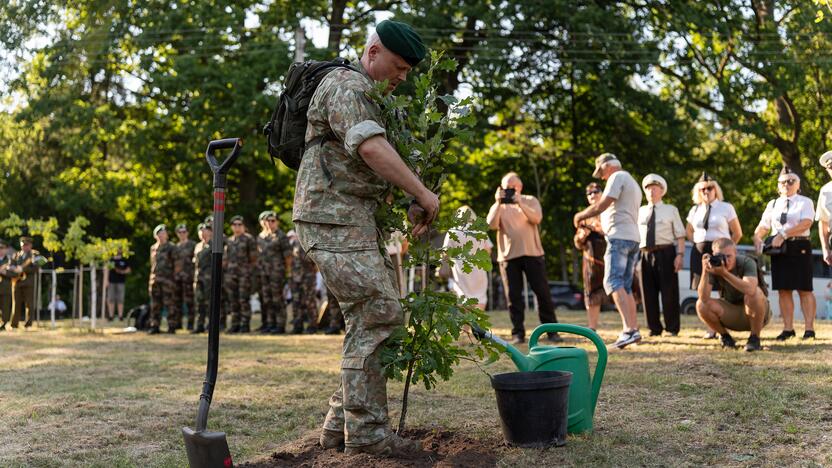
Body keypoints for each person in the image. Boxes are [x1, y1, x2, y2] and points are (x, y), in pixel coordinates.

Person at [293, 20, 435, 455]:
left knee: (367, 320)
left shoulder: (370, 96)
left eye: (408, 71)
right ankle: (369, 436)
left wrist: (409, 194)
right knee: (380, 312)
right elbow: (370, 148)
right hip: (331, 219)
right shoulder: (347, 85)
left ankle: (339, 428)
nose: (402, 77)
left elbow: (380, 161)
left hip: (351, 219)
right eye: (397, 66)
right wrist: (422, 192)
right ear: (372, 52)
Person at [574, 153, 643, 349]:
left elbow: (603, 204)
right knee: (626, 286)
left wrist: (580, 215)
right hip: (632, 237)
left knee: (612, 281)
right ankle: (632, 330)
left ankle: (629, 330)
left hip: (619, 237)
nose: (602, 177)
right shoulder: (632, 181)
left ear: (609, 166)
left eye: (601, 172)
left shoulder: (617, 177)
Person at [487, 172, 560, 344]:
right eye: (507, 187)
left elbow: (537, 218)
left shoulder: (530, 200)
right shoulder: (498, 206)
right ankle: (518, 334)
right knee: (513, 297)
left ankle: (552, 332)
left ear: (520, 187)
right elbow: (491, 225)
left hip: (533, 254)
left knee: (543, 294)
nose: (510, 190)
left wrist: (520, 203)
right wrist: (498, 203)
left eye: (513, 187)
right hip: (508, 258)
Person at [753, 166, 816, 340]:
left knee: (804, 289)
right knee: (783, 290)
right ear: (778, 185)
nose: (787, 185)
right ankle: (788, 329)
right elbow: (764, 226)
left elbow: (806, 223)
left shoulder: (805, 202)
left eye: (791, 181)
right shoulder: (772, 204)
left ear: (798, 184)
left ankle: (809, 329)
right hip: (779, 249)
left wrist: (784, 234)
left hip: (799, 246)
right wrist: (757, 237)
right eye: (783, 182)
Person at [686, 173, 742, 339]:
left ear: (716, 190)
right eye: (702, 189)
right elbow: (688, 230)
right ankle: (711, 327)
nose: (706, 191)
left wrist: (728, 251)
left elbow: (738, 233)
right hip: (699, 251)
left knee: (722, 289)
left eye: (710, 188)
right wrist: (696, 242)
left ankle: (725, 325)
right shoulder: (695, 209)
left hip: (719, 249)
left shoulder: (726, 207)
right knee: (703, 290)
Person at [695, 237, 771, 351]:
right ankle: (726, 338)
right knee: (701, 304)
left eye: (729, 256)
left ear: (736, 253)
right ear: (714, 254)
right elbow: (704, 298)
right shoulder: (714, 266)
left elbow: (750, 289)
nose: (725, 260)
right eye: (721, 256)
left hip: (757, 314)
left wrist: (724, 274)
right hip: (732, 312)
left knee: (755, 293)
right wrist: (705, 272)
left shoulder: (746, 262)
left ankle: (755, 339)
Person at [637, 174, 686, 337]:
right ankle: (654, 328)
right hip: (644, 253)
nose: (651, 191)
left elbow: (680, 235)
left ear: (662, 190)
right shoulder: (640, 211)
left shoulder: (671, 210)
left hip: (666, 252)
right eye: (648, 188)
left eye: (654, 188)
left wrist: (679, 255)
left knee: (669, 292)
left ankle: (672, 328)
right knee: (648, 293)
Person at [574, 183, 610, 330]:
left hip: (609, 257)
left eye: (596, 191)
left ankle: (628, 328)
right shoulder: (584, 217)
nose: (593, 195)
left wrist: (600, 229)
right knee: (591, 293)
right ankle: (592, 327)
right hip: (590, 261)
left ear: (602, 193)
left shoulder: (609, 212)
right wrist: (581, 237)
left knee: (617, 290)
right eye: (589, 193)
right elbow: (577, 244)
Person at [444, 206, 493, 310]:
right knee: (480, 300)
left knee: (463, 300)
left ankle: (465, 326)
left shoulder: (453, 231)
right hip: (479, 271)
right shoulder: (480, 231)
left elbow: (445, 253)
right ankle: (478, 325)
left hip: (460, 271)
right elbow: (488, 250)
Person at [258, 211, 293, 334]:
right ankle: (270, 323)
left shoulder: (281, 236)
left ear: (277, 222)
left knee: (277, 299)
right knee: (267, 299)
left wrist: (288, 273)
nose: (270, 223)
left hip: (277, 273)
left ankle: (280, 325)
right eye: (268, 221)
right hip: (264, 273)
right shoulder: (262, 237)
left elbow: (288, 257)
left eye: (273, 221)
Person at [224, 215, 257, 334]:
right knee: (233, 301)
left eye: (239, 224)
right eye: (235, 225)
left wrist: (249, 273)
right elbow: (226, 258)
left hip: (244, 275)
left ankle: (245, 324)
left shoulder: (249, 239)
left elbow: (254, 258)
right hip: (231, 275)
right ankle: (234, 324)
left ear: (243, 226)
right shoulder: (229, 240)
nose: (237, 227)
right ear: (231, 227)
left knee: (243, 299)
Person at [148, 224, 176, 334]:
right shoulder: (153, 248)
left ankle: (171, 326)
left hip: (168, 280)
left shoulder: (171, 247)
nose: (161, 235)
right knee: (155, 304)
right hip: (155, 279)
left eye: (163, 233)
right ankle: (155, 325)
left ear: (167, 235)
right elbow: (152, 265)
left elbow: (176, 264)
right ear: (155, 236)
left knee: (169, 303)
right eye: (159, 234)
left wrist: (174, 278)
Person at [11, 236, 41, 328]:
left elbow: (36, 268)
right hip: (17, 282)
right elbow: (11, 266)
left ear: (30, 245)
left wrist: (23, 269)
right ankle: (14, 324)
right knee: (16, 304)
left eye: (26, 245)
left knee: (29, 304)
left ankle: (28, 324)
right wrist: (14, 269)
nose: (24, 247)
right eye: (23, 245)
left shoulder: (35, 255)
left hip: (29, 283)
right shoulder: (16, 255)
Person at [291, 241, 319, 334]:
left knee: (310, 301)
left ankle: (312, 326)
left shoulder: (310, 242)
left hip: (308, 277)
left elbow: (316, 263)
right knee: (296, 301)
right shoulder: (294, 243)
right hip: (296, 277)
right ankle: (298, 325)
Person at [172, 224, 197, 330]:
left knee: (190, 302)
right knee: (177, 302)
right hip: (177, 278)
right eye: (180, 232)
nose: (182, 234)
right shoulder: (175, 247)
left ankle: (190, 324)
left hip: (189, 278)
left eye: (184, 232)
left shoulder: (193, 245)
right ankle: (178, 323)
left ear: (187, 233)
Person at [191, 223, 212, 334]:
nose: (202, 233)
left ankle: (210, 324)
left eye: (205, 230)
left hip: (209, 278)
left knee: (209, 302)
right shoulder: (198, 246)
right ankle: (200, 324)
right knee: (199, 302)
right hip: (198, 278)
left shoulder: (214, 245)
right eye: (200, 231)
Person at [107, 248, 131, 321]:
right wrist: (106, 281)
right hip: (111, 282)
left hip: (121, 282)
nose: (118, 250)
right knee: (111, 299)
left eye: (120, 249)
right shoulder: (110, 260)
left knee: (120, 299)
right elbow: (106, 270)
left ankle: (120, 316)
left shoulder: (124, 259)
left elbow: (129, 270)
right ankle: (111, 316)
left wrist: (121, 272)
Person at [0, 239, 15, 331]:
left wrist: (5, 272)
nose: (0, 250)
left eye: (2, 248)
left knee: (5, 308)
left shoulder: (10, 260)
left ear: (6, 249)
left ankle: (3, 324)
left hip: (6, 288)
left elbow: (15, 274)